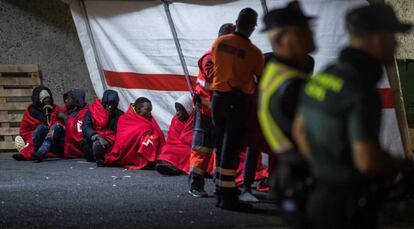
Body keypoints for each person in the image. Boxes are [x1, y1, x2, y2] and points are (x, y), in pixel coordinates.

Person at [292, 4, 414, 229]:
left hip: (318, 195)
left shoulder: (326, 74)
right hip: (348, 207)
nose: (396, 43)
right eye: (392, 36)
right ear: (376, 37)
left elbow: (299, 129)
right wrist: (405, 165)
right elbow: (368, 161)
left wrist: (327, 167)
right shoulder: (360, 88)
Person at [257, 2, 316, 226]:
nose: (311, 34)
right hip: (306, 179)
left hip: (290, 175)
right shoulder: (293, 84)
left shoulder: (274, 72)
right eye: (303, 30)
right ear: (284, 38)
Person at [211, 8, 264, 210]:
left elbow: (218, 65)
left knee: (219, 144)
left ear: (236, 22)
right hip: (237, 100)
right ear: (253, 27)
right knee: (231, 149)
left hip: (218, 98)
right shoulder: (254, 52)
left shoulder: (219, 42)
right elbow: (259, 77)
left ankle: (219, 191)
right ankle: (228, 197)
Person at [189, 23, 236, 198]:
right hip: (206, 113)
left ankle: (220, 185)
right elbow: (215, 77)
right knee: (201, 149)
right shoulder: (210, 58)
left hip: (221, 113)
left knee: (221, 150)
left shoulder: (228, 58)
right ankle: (195, 185)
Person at [105, 97, 165, 169]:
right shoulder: (124, 119)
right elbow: (123, 140)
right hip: (129, 152)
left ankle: (151, 160)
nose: (150, 113)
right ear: (138, 109)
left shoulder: (150, 119)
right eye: (147, 110)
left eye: (150, 111)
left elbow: (158, 133)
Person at [12, 86, 64, 161]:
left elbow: (62, 126)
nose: (47, 100)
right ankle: (27, 152)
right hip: (36, 140)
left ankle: (39, 152)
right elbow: (24, 132)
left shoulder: (56, 109)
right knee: (40, 128)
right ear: (38, 100)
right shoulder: (31, 112)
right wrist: (38, 134)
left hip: (54, 141)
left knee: (54, 128)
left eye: (48, 97)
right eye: (44, 99)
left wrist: (52, 114)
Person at [81, 89, 123, 167]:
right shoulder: (92, 111)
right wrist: (97, 136)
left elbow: (120, 132)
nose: (110, 107)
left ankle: (102, 156)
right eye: (107, 104)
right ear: (103, 102)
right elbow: (86, 127)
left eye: (113, 105)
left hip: (111, 142)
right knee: (89, 142)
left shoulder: (120, 115)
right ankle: (96, 154)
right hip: (94, 139)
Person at [156, 94, 194, 176]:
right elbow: (171, 138)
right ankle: (170, 166)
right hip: (176, 145)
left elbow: (194, 138)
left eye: (180, 110)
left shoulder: (196, 119)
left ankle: (175, 168)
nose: (177, 113)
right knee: (166, 149)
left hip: (189, 147)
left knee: (188, 152)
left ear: (188, 109)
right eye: (176, 110)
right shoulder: (175, 119)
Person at [60, 88, 89, 159]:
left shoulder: (85, 112)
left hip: (76, 145)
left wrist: (65, 118)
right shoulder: (66, 110)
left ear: (76, 101)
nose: (66, 101)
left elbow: (78, 131)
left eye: (69, 99)